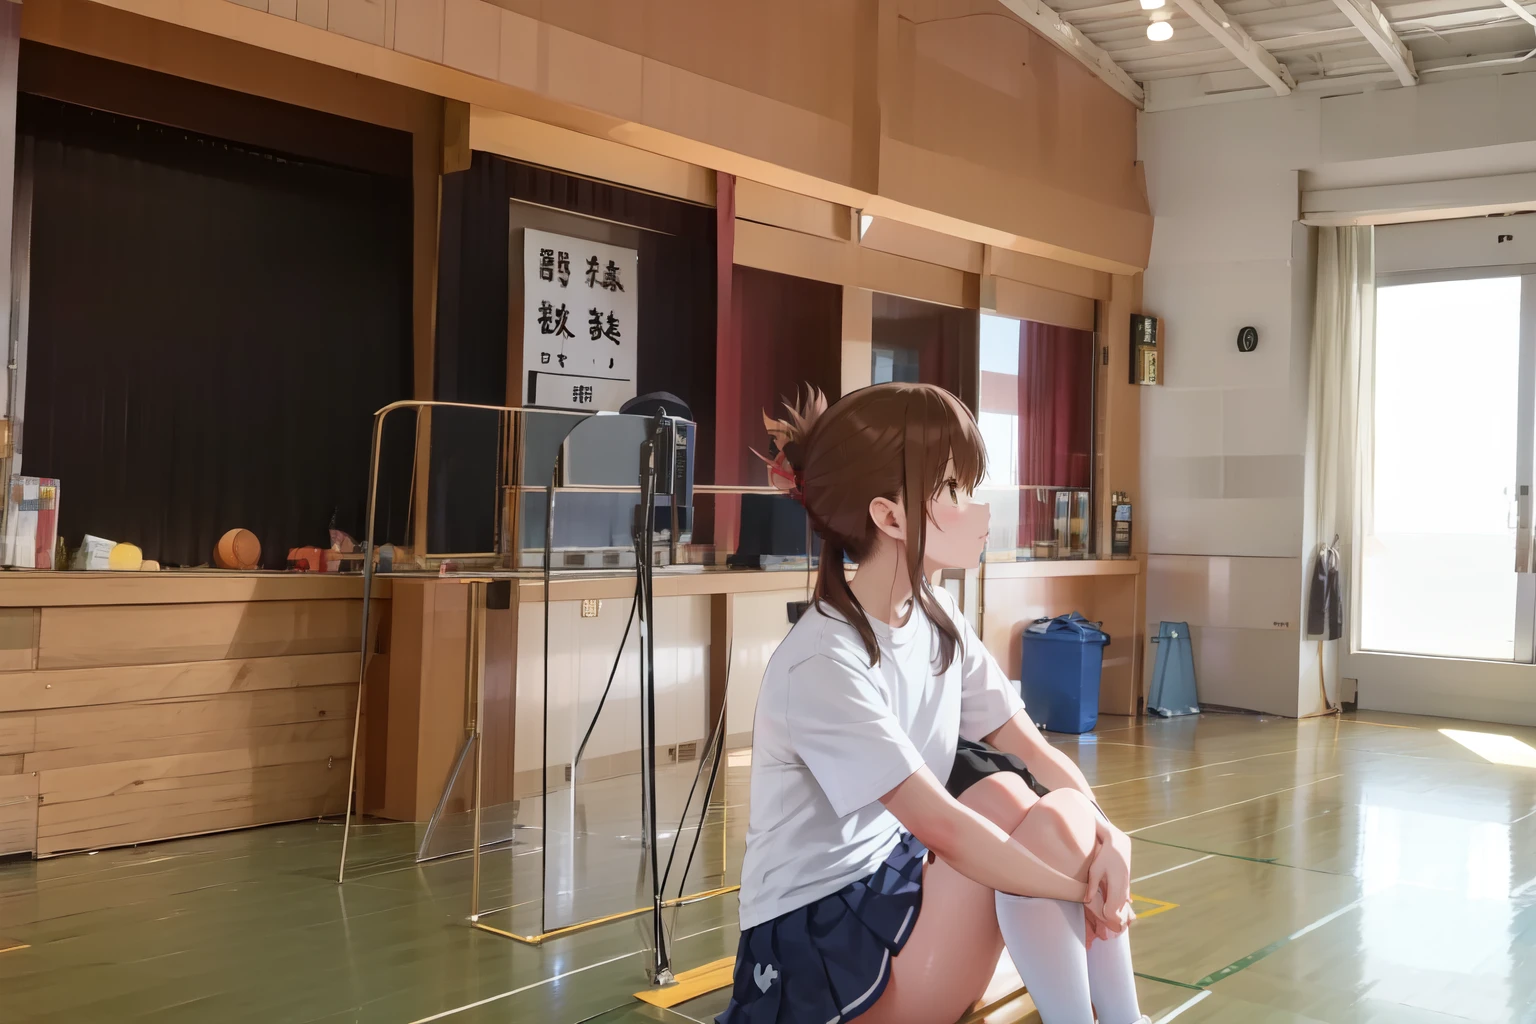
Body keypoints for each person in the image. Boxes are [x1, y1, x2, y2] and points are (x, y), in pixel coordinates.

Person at [718, 383, 1146, 1024]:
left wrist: (1112, 840)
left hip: (886, 885)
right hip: (820, 945)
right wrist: (1082, 886)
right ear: (889, 517)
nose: (977, 509)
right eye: (952, 491)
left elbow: (1029, 748)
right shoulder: (822, 662)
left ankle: (1117, 1021)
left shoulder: (936, 615)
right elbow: (941, 825)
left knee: (1023, 801)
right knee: (1040, 833)